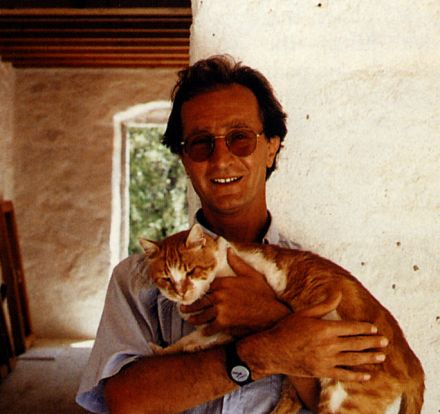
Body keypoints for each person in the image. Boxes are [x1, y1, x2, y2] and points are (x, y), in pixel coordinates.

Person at [76, 55, 388, 414]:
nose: (221, 159)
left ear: (271, 148)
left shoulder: (319, 279)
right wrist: (260, 352)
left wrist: (269, 317)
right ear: (184, 160)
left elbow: (349, 395)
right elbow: (125, 402)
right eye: (201, 143)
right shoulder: (138, 278)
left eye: (240, 138)